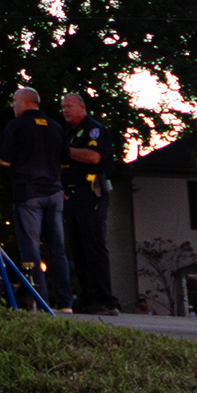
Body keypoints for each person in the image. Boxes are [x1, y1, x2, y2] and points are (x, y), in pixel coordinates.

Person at [0, 86, 70, 304]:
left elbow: (4, 160)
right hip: (54, 192)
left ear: (25, 102)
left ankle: (38, 299)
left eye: (15, 102)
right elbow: (65, 162)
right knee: (58, 250)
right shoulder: (56, 127)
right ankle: (65, 303)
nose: (13, 106)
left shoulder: (16, 125)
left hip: (28, 193)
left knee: (31, 248)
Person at [59, 87, 120, 314]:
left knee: (94, 246)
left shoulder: (94, 130)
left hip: (91, 193)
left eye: (69, 106)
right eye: (63, 106)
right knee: (78, 249)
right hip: (72, 196)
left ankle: (105, 300)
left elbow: (93, 157)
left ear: (82, 107)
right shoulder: (68, 133)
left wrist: (65, 150)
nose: (64, 110)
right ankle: (86, 297)